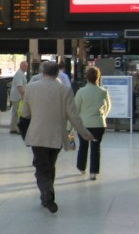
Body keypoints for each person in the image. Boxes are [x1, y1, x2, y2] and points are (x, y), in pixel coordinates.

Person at [20, 61, 94, 214]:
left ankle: (47, 193)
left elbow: (25, 113)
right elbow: (73, 116)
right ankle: (47, 195)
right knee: (50, 165)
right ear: (57, 74)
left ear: (42, 72)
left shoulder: (31, 88)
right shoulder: (65, 90)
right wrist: (85, 133)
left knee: (41, 167)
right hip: (57, 136)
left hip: (37, 135)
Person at [74, 66, 111, 180]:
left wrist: (69, 127)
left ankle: (81, 168)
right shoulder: (103, 92)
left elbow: (75, 110)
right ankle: (93, 172)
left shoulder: (81, 92)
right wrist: (103, 116)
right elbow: (108, 106)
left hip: (84, 125)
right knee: (96, 148)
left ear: (86, 77)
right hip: (99, 125)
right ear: (98, 77)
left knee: (83, 146)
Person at [9, 60, 28, 134]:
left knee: (15, 112)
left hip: (16, 96)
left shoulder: (21, 73)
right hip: (17, 97)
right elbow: (19, 86)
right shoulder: (20, 74)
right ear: (22, 66)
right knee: (18, 113)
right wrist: (23, 95)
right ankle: (17, 129)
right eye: (26, 66)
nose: (27, 68)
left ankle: (13, 128)